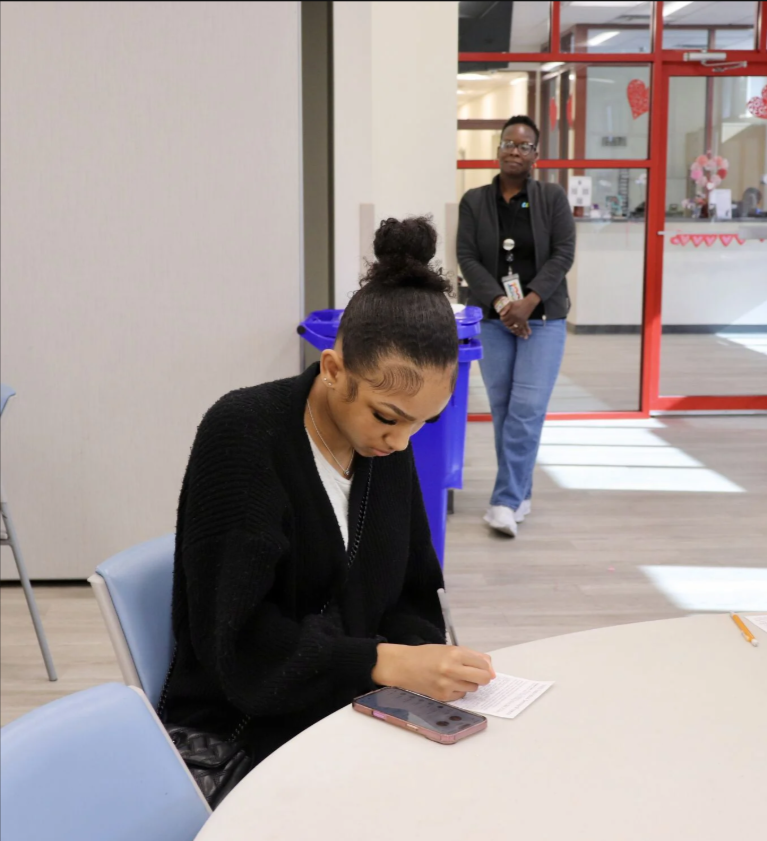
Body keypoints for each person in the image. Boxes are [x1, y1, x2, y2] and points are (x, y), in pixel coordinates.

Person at [164, 216, 496, 773]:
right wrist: (382, 663)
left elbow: (414, 594)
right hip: (249, 729)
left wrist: (425, 665)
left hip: (354, 709)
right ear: (334, 368)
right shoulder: (244, 434)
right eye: (388, 417)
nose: (401, 440)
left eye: (424, 423)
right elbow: (238, 646)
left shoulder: (386, 444)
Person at [457, 115, 575, 538]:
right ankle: (520, 492)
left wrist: (529, 303)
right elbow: (467, 257)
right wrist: (505, 305)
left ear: (535, 156)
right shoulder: (474, 201)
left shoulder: (552, 198)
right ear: (498, 149)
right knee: (505, 410)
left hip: (543, 318)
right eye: (509, 142)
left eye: (524, 145)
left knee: (526, 410)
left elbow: (562, 254)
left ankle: (504, 502)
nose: (514, 150)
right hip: (492, 319)